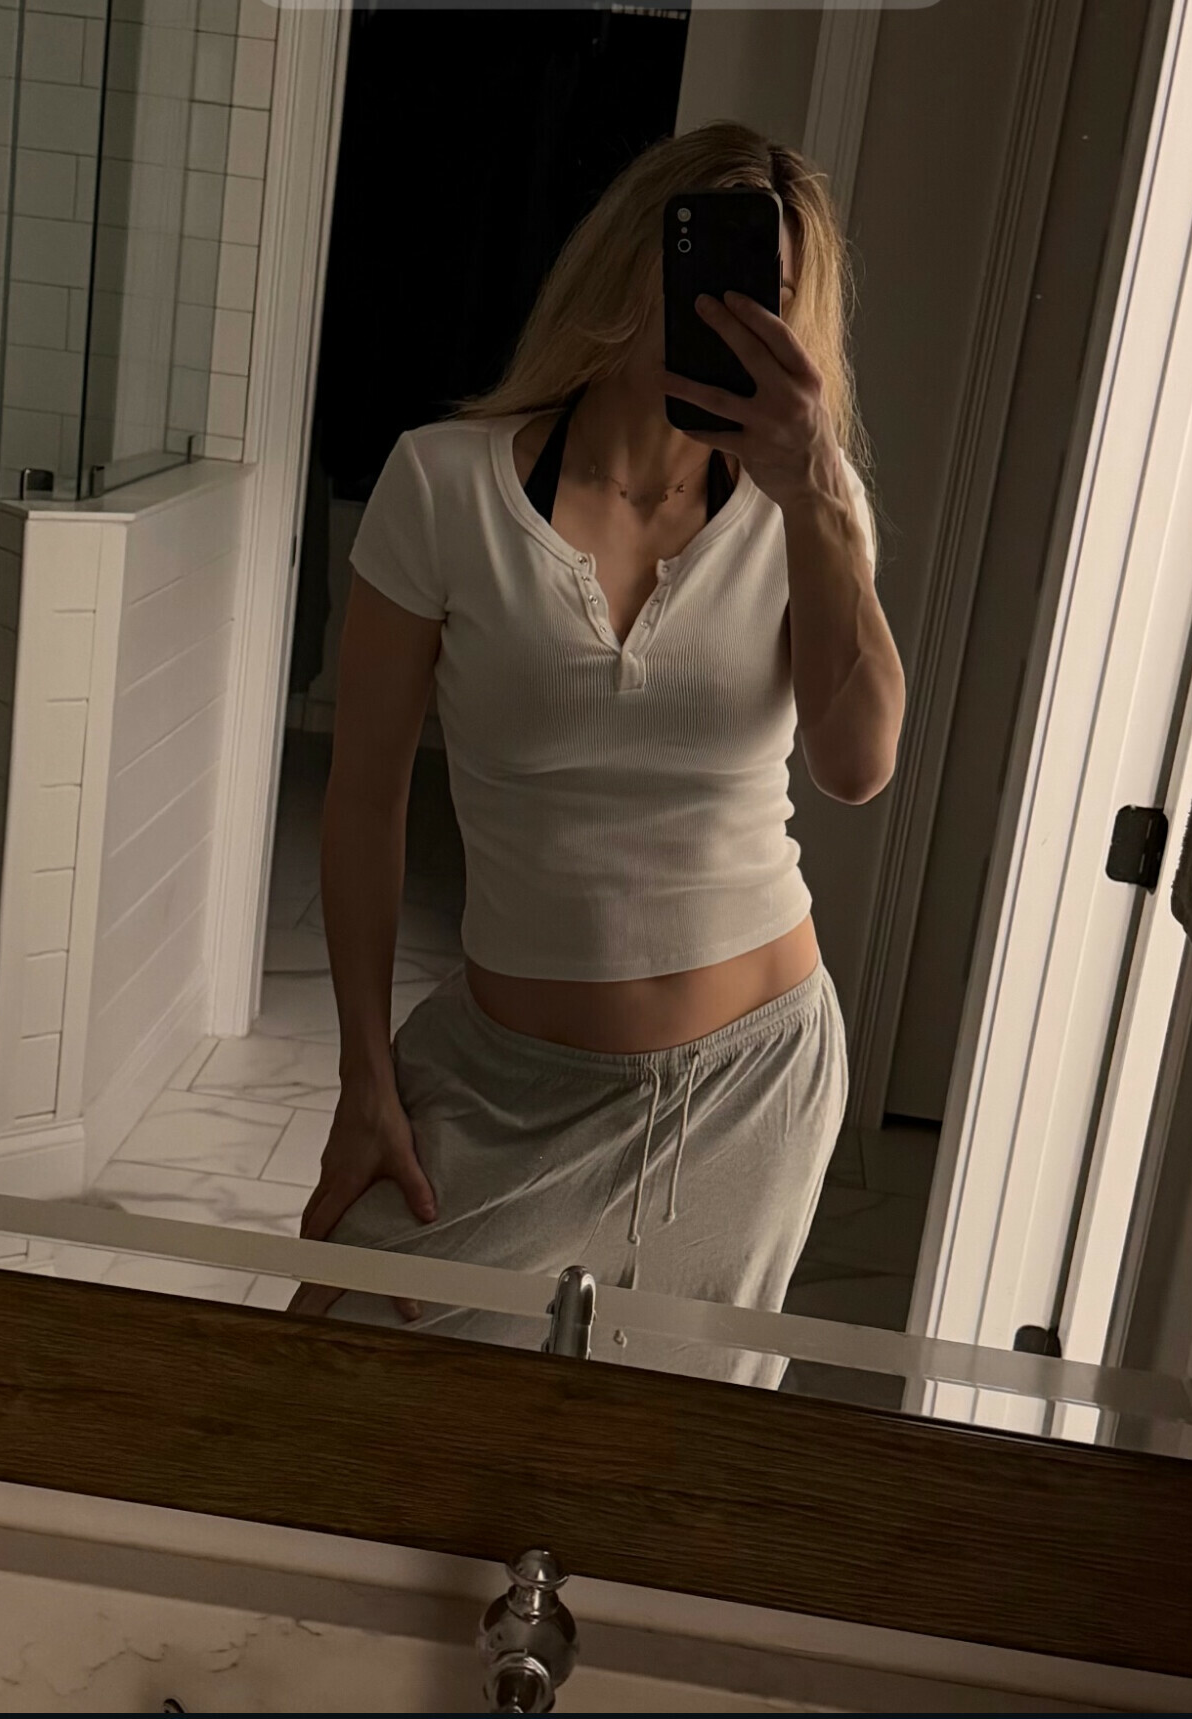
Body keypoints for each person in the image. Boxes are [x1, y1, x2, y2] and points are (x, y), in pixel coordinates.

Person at [287, 122, 906, 1387]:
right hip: (504, 1085)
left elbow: (857, 764)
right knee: (332, 1397)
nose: (724, 309)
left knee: (653, 1463)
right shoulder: (442, 486)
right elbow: (361, 804)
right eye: (697, 264)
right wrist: (365, 1075)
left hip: (754, 1083)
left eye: (768, 291)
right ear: (630, 260)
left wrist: (817, 496)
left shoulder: (808, 508)